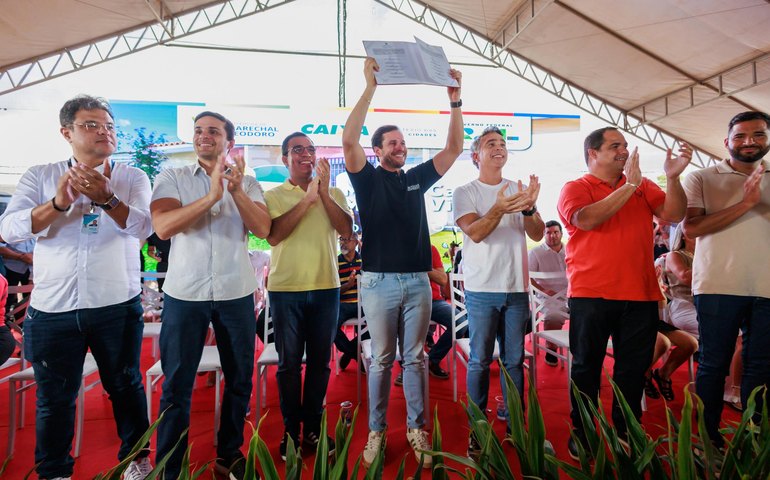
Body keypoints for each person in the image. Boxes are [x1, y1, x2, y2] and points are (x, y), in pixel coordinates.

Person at [0, 94, 154, 480]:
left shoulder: (131, 177)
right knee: (55, 399)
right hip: (53, 309)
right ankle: (55, 472)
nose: (104, 131)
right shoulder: (41, 175)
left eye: (109, 126)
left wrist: (107, 198)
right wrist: (56, 203)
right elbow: (10, 228)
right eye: (91, 124)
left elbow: (144, 228)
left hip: (116, 304)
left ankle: (137, 460)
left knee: (126, 387)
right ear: (66, 132)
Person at [341, 57, 463, 468]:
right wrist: (370, 87)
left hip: (416, 282)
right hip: (376, 282)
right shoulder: (367, 178)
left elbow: (454, 149)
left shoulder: (415, 178)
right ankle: (376, 432)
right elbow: (347, 139)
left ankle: (416, 428)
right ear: (377, 151)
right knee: (381, 359)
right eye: (391, 143)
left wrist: (456, 102)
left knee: (415, 358)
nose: (400, 146)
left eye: (402, 142)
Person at [557, 126, 691, 459]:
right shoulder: (576, 187)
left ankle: (626, 431)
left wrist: (672, 178)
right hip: (591, 294)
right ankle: (584, 433)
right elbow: (586, 220)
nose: (624, 151)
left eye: (625, 146)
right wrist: (630, 186)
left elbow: (673, 214)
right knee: (586, 368)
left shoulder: (644, 186)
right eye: (615, 146)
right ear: (593, 153)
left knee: (632, 370)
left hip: (641, 295)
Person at [151, 111, 271, 480]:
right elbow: (164, 226)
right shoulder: (172, 177)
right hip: (185, 293)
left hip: (236, 291)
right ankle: (170, 465)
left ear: (228, 142)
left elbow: (263, 228)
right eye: (199, 130)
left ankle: (228, 455)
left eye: (214, 131)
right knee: (177, 383)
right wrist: (212, 196)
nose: (204, 136)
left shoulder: (248, 184)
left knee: (239, 380)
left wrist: (233, 190)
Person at [453, 126, 544, 456]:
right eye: (491, 144)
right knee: (478, 361)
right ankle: (477, 429)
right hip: (481, 291)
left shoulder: (518, 189)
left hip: (517, 289)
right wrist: (500, 209)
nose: (499, 148)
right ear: (476, 155)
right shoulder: (465, 192)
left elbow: (536, 233)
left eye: (503, 144)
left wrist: (530, 207)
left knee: (515, 361)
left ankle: (515, 424)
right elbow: (475, 233)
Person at [682, 110, 770, 448]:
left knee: (761, 366)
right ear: (727, 142)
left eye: (758, 135)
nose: (749, 142)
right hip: (718, 285)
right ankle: (708, 438)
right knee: (713, 364)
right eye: (741, 136)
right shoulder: (702, 178)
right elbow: (692, 228)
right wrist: (747, 203)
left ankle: (754, 437)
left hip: (766, 287)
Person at [264, 132, 352, 459]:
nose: (306, 154)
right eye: (297, 149)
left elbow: (345, 230)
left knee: (320, 363)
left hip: (326, 288)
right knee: (288, 365)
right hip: (286, 290)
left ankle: (313, 429)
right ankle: (291, 432)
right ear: (285, 158)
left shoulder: (335, 192)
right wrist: (306, 200)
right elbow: (273, 236)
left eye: (310, 149)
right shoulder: (272, 194)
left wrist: (324, 194)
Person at [527, 220, 569, 366]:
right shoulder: (535, 252)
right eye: (548, 233)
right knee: (554, 314)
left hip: (570, 295)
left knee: (588, 310)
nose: (552, 236)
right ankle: (551, 349)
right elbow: (528, 278)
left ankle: (581, 348)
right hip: (545, 296)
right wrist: (544, 291)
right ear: (544, 235)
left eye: (555, 232)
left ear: (561, 234)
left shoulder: (569, 250)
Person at [335, 231, 363, 371]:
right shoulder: (334, 262)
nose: (343, 242)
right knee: (330, 326)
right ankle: (356, 356)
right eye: (341, 239)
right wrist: (347, 286)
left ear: (356, 242)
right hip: (343, 305)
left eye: (347, 239)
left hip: (363, 304)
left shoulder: (364, 261)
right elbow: (332, 293)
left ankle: (348, 354)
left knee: (377, 324)